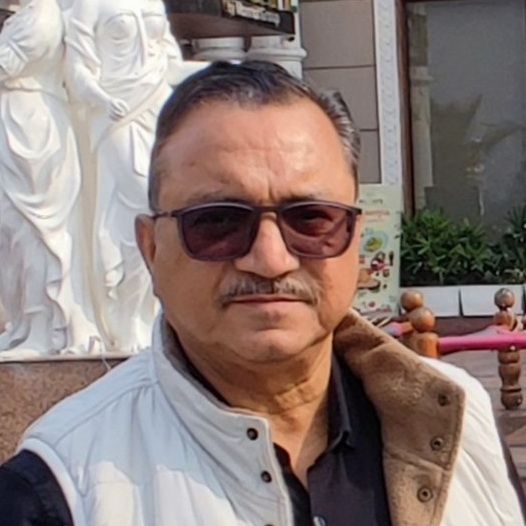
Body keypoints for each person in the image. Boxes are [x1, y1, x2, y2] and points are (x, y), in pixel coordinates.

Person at [0, 61, 524, 526]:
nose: (271, 259)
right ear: (151, 249)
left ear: (355, 242)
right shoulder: (61, 487)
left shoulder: (459, 417)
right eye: (218, 222)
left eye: (311, 219)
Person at [65, 0, 193, 353]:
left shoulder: (151, 2)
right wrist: (101, 98)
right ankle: (120, 312)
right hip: (114, 115)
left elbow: (169, 63)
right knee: (143, 202)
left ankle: (144, 313)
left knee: (160, 208)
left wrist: (216, 71)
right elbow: (77, 70)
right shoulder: (87, 6)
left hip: (156, 106)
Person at [0, 0, 100, 358]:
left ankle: (45, 329)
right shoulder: (24, 15)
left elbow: (5, 65)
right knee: (12, 232)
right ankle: (24, 325)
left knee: (35, 231)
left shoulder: (41, 16)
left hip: (31, 129)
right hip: (17, 124)